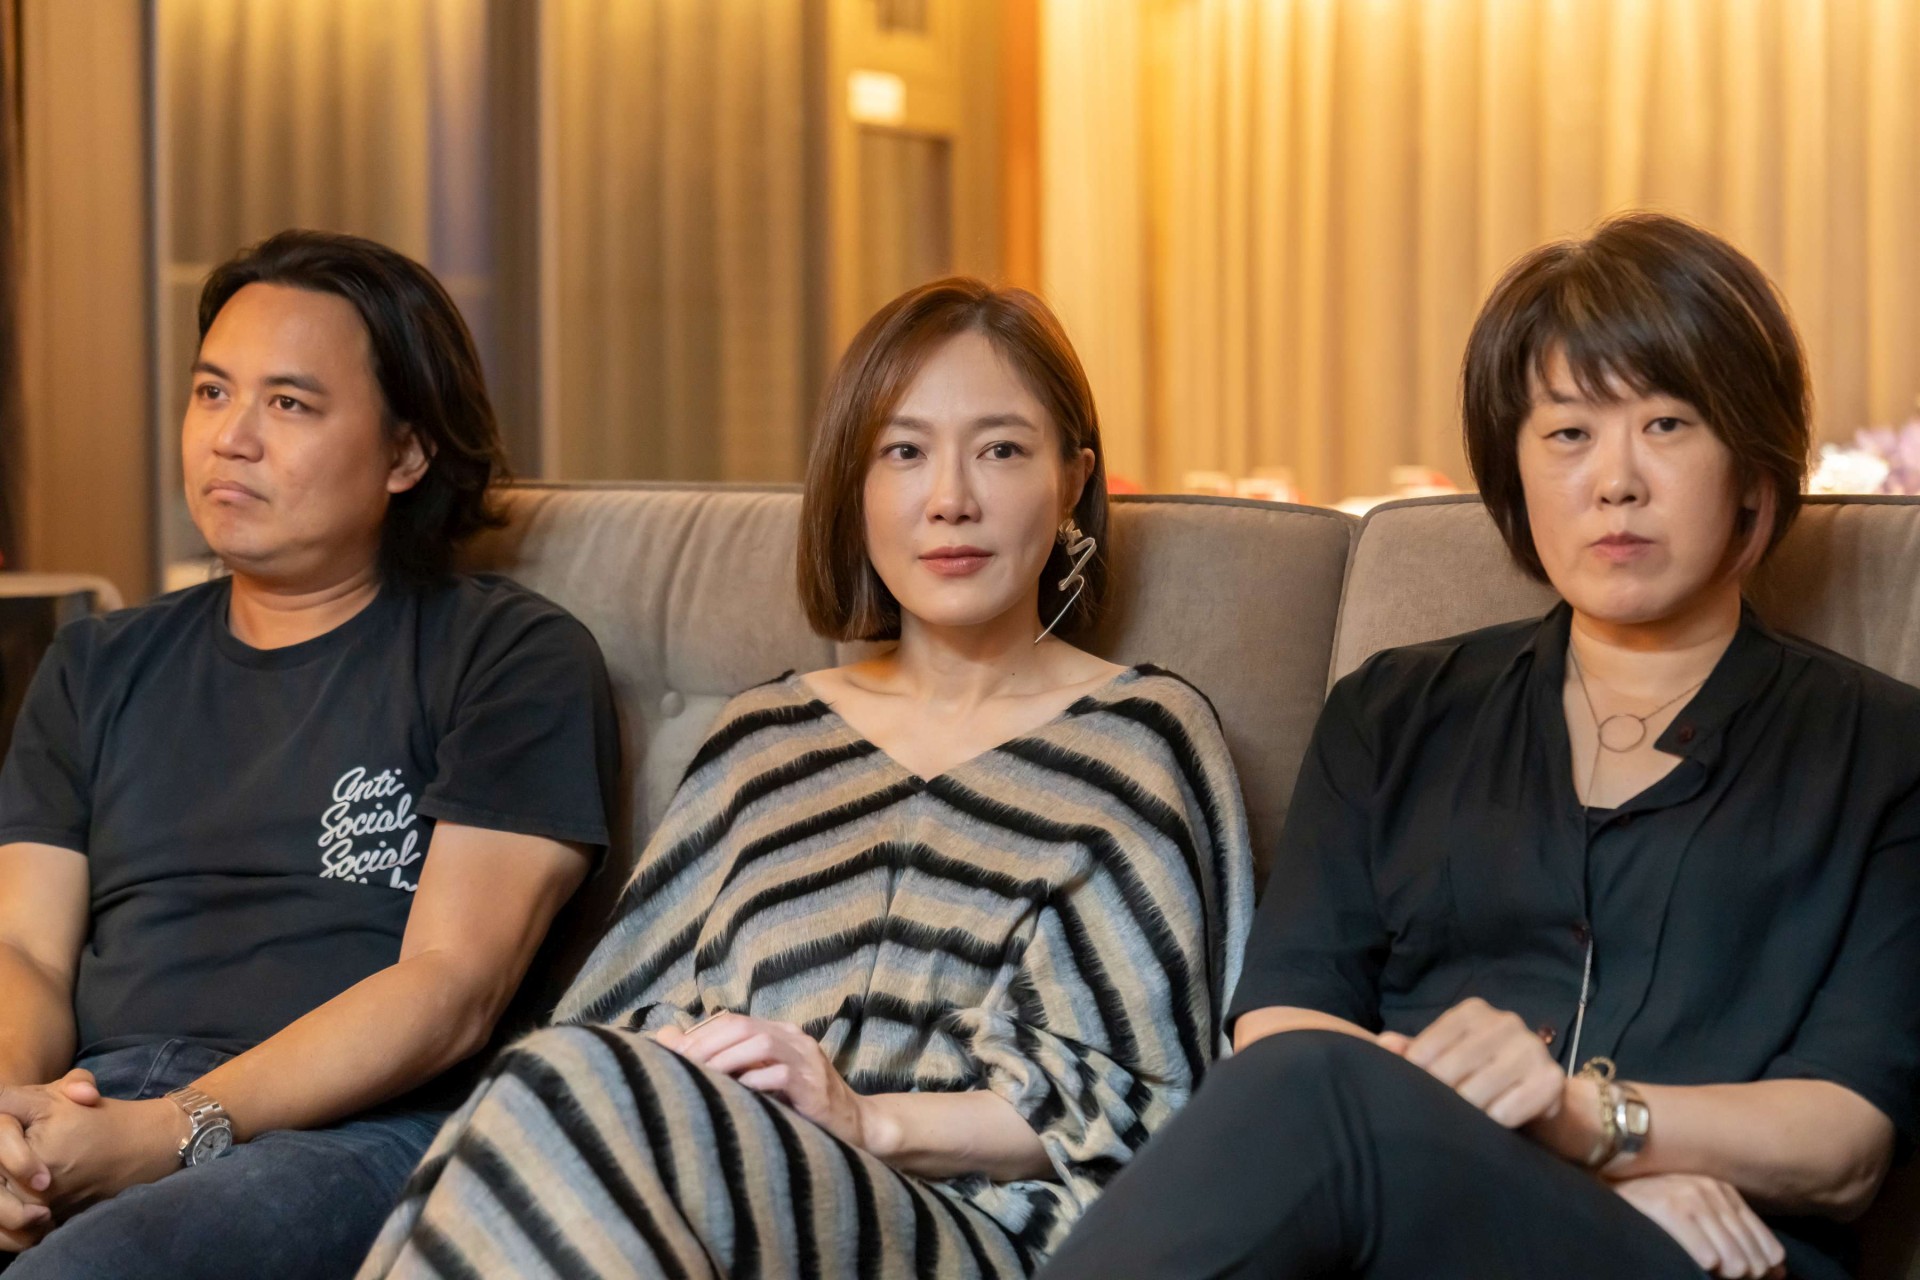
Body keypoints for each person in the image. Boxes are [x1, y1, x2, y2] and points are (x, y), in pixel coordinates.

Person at [1037, 212, 1920, 1280]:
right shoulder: (1396, 713)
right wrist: (1570, 1165)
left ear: (1751, 464)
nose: (1617, 480)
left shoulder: (1881, 750)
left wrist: (1589, 1120)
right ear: (1516, 470)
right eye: (1568, 434)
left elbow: (1843, 1144)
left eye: (1668, 423)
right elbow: (1287, 1030)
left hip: (1708, 1256)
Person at [357, 278, 1255, 1278]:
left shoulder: (1140, 739)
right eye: (903, 452)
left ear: (1072, 480)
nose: (950, 498)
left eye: (1001, 450)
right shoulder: (766, 739)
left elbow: (1140, 1100)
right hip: (708, 1201)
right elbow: (608, 1025)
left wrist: (863, 1117)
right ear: (853, 488)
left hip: (970, 1235)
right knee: (552, 1086)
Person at [0, 230, 620, 1278]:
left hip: (354, 1131)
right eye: (212, 392)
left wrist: (173, 1128)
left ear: (406, 453)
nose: (231, 438)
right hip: (97, 1096)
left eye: (288, 403)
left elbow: (453, 983)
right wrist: (13, 1122)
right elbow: (23, 947)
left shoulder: (509, 656)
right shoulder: (95, 664)